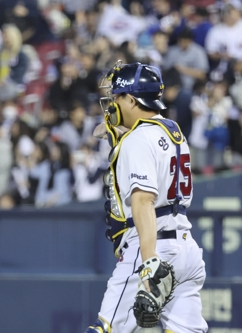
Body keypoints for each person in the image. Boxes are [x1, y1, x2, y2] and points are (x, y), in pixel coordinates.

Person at [85, 61, 207, 332]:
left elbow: (143, 201)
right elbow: (144, 140)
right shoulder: (172, 130)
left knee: (104, 329)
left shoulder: (137, 140)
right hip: (186, 249)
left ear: (131, 99)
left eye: (117, 96)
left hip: (152, 247)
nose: (113, 101)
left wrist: (150, 261)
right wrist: (119, 134)